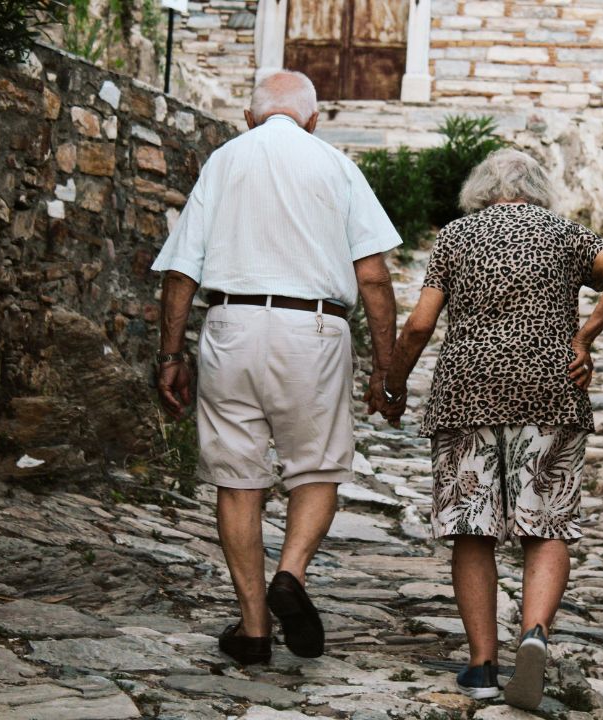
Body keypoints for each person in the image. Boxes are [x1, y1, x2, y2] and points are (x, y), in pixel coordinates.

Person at [152, 70, 405, 665]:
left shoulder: (224, 160)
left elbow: (182, 271)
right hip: (314, 330)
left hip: (231, 326)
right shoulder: (336, 166)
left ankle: (255, 628)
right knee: (315, 468)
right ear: (313, 119)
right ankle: (289, 575)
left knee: (237, 477)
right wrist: (384, 371)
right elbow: (373, 276)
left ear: (249, 117)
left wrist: (170, 354)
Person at [382, 149, 603, 709]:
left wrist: (393, 385)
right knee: (544, 522)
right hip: (549, 389)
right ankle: (534, 633)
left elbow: (420, 323)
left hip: (467, 393)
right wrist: (584, 338)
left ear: (478, 190)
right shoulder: (566, 233)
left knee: (472, 527)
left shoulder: (455, 237)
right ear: (539, 189)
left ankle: (480, 665)